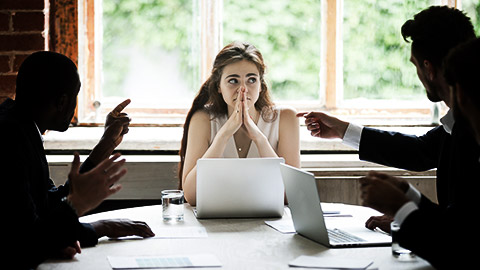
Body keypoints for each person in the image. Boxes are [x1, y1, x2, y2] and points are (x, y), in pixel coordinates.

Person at [297, 5, 478, 232]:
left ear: (428, 69)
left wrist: (404, 212)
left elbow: (464, 229)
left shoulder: (473, 128)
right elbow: (421, 151)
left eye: (414, 65)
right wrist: (342, 130)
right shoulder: (459, 122)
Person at [0, 51, 154, 269]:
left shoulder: (20, 126)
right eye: (75, 96)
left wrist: (106, 145)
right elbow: (28, 243)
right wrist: (98, 225)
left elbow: (47, 204)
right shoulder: (9, 140)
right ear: (63, 101)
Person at [358, 37, 480, 269]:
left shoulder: (463, 135)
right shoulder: (457, 130)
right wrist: (408, 195)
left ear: (461, 94)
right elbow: (457, 223)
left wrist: (402, 209)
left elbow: (458, 248)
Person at [179, 41, 301, 205]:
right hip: (216, 225)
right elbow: (192, 196)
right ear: (219, 87)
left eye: (251, 80)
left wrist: (259, 137)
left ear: (260, 85)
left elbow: (292, 195)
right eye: (233, 81)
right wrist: (224, 134)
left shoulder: (286, 118)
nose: (243, 89)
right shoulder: (203, 120)